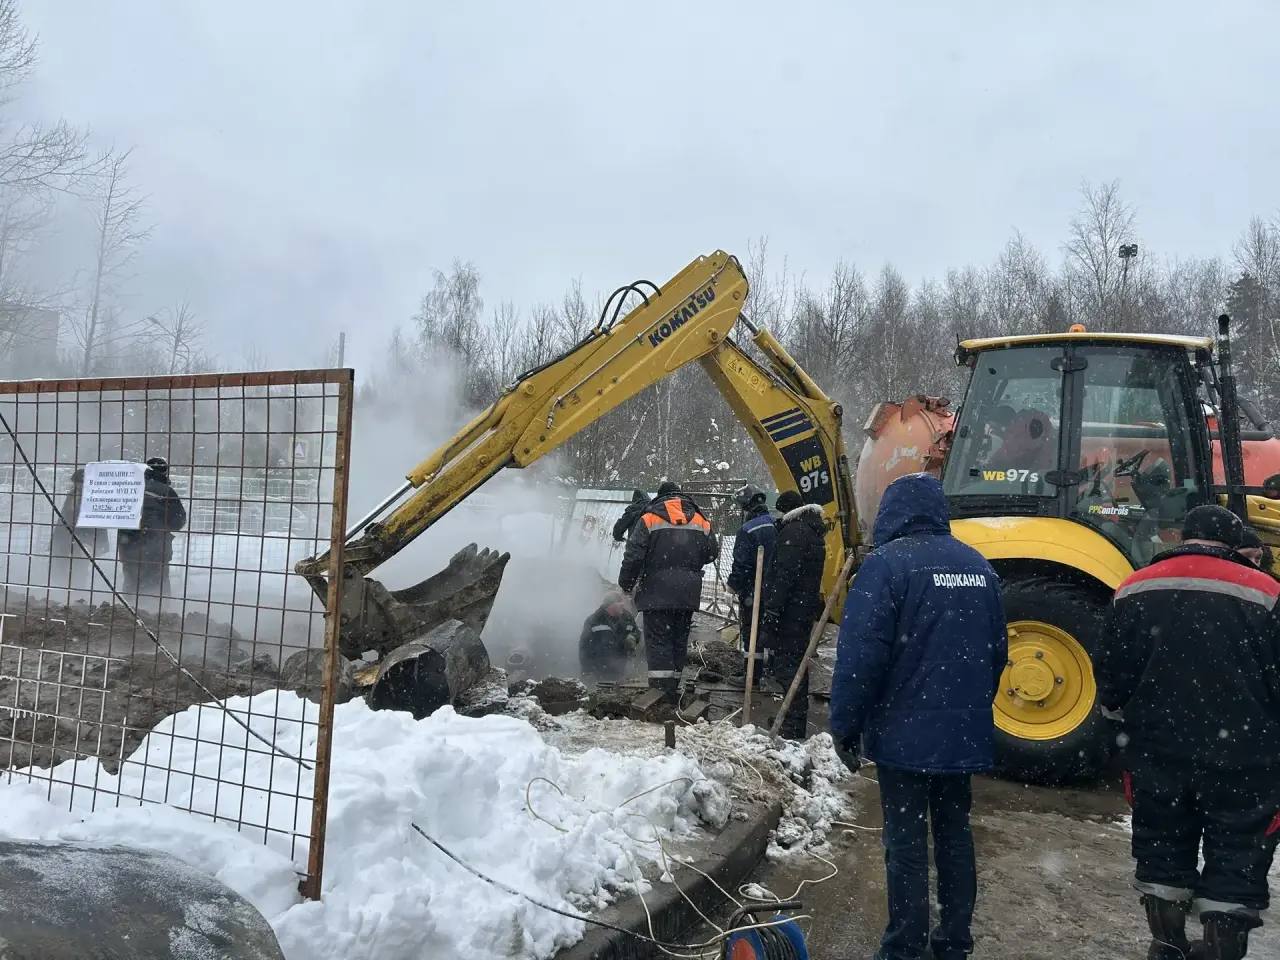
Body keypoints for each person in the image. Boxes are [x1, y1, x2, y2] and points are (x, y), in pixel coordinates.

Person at [829, 473, 1007, 960]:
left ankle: (905, 947)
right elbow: (997, 654)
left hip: (903, 736)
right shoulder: (979, 567)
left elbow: (860, 659)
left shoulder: (886, 567)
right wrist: (968, 711)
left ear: (892, 513)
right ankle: (953, 942)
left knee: (906, 844)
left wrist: (844, 725)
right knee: (954, 836)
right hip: (960, 735)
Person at [1097, 504, 1280, 960]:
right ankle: (1221, 949)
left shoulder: (1134, 587)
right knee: (1238, 855)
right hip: (1246, 758)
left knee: (1161, 849)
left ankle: (1167, 946)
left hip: (1157, 751)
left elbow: (1112, 676)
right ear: (1234, 543)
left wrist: (1124, 729)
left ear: (1183, 536)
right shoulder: (1267, 593)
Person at [617, 480, 717, 701]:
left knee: (658, 640)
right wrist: (688, 564)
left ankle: (661, 693)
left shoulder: (649, 518)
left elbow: (633, 556)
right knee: (679, 639)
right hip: (687, 593)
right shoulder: (700, 519)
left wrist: (626, 584)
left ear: (660, 497)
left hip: (656, 591)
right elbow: (712, 553)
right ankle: (673, 687)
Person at [759, 489, 826, 740]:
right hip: (802, 609)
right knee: (795, 663)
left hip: (790, 611)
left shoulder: (794, 533)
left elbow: (784, 575)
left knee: (788, 665)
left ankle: (792, 723)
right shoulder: (811, 531)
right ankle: (792, 718)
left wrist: (773, 609)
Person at [117, 457, 187, 601]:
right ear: (165, 472)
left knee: (131, 584)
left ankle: (128, 611)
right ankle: (157, 612)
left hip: (128, 547)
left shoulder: (130, 489)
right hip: (157, 550)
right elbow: (178, 522)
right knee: (158, 588)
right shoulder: (167, 492)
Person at [726, 484, 777, 657]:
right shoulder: (777, 524)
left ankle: (753, 669)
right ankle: (771, 667)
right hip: (775, 591)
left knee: (752, 635)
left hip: (753, 591)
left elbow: (742, 564)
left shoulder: (747, 530)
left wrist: (731, 587)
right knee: (771, 633)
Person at [48, 467, 109, 590]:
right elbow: (64, 517)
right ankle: (60, 591)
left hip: (84, 539)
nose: (77, 486)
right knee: (59, 568)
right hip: (65, 539)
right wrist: (55, 541)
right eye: (76, 483)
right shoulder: (72, 495)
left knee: (79, 568)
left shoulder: (94, 497)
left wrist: (95, 543)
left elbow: (99, 522)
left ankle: (77, 593)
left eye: (80, 483)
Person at [578, 591, 641, 683]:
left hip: (621, 669)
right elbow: (584, 647)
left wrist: (633, 637)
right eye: (620, 602)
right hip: (599, 671)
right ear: (611, 605)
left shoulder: (627, 618)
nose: (623, 605)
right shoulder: (594, 620)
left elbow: (636, 632)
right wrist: (587, 671)